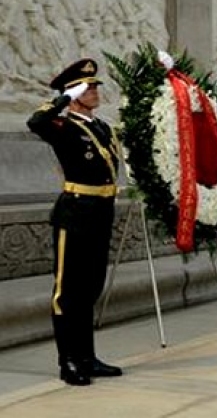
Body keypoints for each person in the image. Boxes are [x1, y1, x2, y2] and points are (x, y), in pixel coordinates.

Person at [26, 59, 123, 386]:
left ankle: (87, 357)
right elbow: (36, 121)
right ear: (74, 92)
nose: (94, 91)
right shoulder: (63, 126)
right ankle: (68, 361)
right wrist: (64, 98)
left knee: (91, 286)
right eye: (87, 87)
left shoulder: (103, 127)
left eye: (94, 86)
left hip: (102, 212)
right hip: (76, 212)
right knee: (68, 291)